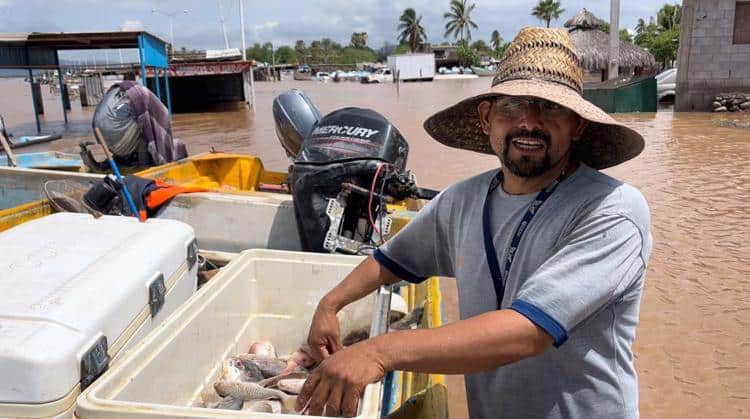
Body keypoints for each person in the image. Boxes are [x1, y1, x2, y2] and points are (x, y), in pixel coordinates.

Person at [297, 27, 653, 419]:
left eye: (550, 108)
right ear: (487, 118)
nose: (529, 122)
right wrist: (330, 303)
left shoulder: (612, 210)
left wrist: (380, 351)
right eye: (513, 105)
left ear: (578, 124)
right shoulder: (462, 200)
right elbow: (390, 261)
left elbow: (528, 331)